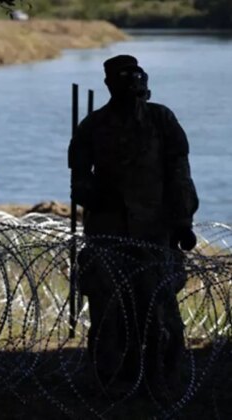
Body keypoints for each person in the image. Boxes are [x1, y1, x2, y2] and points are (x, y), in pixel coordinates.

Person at [68, 55, 198, 398]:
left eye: (136, 83)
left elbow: (179, 173)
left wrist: (183, 220)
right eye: (124, 82)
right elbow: (78, 182)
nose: (133, 91)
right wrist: (98, 196)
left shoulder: (161, 119)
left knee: (159, 310)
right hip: (108, 232)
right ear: (110, 84)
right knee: (109, 310)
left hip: (155, 232)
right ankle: (110, 380)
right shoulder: (93, 126)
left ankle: (162, 378)